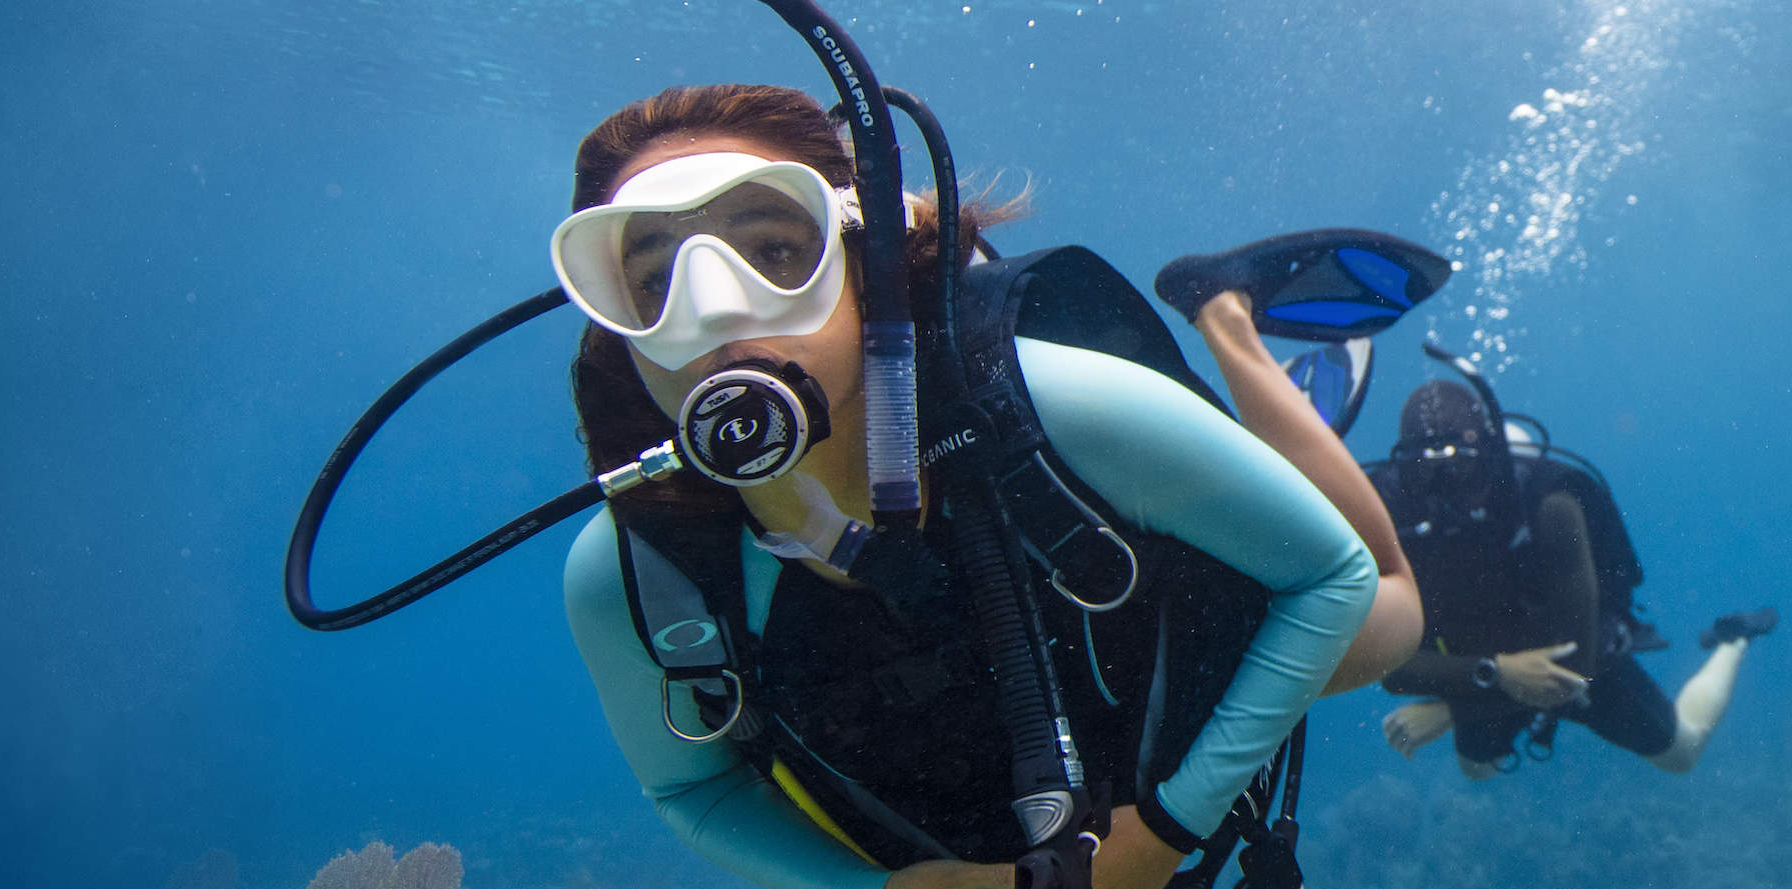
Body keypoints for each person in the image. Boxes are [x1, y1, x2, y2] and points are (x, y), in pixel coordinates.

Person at [548, 84, 1419, 889]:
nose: (713, 312)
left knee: (1393, 608)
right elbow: (692, 789)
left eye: (776, 251)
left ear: (865, 265)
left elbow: (1330, 577)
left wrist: (1159, 835)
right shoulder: (635, 573)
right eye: (654, 281)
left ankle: (1227, 321)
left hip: (1189, 646)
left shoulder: (1063, 403)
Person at [1366, 377, 1776, 778]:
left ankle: (1733, 638)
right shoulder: (1387, 515)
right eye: (1424, 474)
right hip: (1491, 667)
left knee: (1682, 753)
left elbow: (1575, 667)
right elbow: (1386, 666)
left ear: (1489, 457)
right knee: (1476, 770)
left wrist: (1453, 708)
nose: (1444, 493)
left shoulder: (1549, 505)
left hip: (1580, 652)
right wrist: (1496, 673)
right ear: (1401, 468)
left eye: (1460, 470)